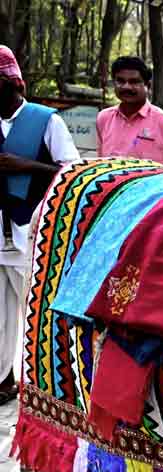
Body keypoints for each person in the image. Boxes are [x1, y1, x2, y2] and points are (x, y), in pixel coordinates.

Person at [0, 46, 80, 406]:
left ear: (9, 81)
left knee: (39, 315)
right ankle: (4, 380)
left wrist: (25, 166)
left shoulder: (45, 120)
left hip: (31, 234)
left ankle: (47, 388)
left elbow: (73, 173)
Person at [96, 56, 163, 170]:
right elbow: (102, 164)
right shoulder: (104, 118)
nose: (126, 87)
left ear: (148, 86)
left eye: (134, 82)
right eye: (120, 81)